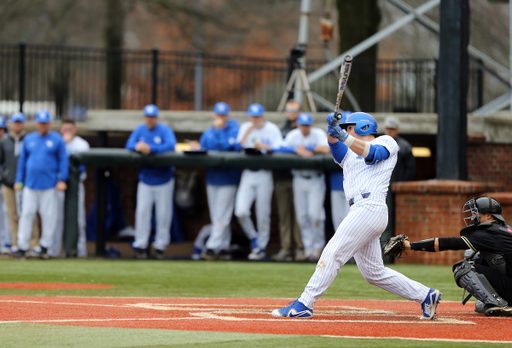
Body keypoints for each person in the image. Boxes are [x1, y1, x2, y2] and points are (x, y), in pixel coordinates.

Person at [272, 112, 441, 320]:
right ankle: (426, 295)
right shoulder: (349, 152)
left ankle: (305, 303)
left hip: (370, 207)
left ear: (362, 127)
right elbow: (335, 147)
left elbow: (372, 155)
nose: (345, 131)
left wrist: (342, 136)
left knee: (333, 253)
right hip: (360, 210)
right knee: (374, 273)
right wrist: (332, 130)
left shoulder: (387, 141)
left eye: (348, 127)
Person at [402, 196, 512, 317]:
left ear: (488, 216)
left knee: (462, 268)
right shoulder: (503, 229)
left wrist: (410, 246)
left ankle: (498, 303)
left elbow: (449, 243)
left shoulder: (488, 233)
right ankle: (499, 300)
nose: (472, 217)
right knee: (475, 257)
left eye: (475, 213)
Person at [13, 110, 68, 260]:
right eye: (40, 123)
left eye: (45, 123)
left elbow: (63, 160)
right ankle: (22, 246)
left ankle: (45, 247)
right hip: (30, 185)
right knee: (26, 215)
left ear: (49, 123)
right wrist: (19, 180)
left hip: (49, 185)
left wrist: (63, 179)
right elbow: (22, 162)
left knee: (49, 216)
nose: (43, 125)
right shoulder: (29, 139)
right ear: (36, 123)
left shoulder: (57, 140)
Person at [126, 104, 177, 260]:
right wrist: (138, 146)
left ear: (157, 117)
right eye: (147, 117)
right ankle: (141, 246)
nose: (150, 120)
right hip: (146, 179)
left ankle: (160, 247)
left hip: (164, 179)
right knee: (142, 213)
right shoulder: (140, 129)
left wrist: (152, 149)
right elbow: (129, 145)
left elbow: (171, 145)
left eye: (152, 117)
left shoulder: (164, 129)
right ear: (144, 117)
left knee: (163, 215)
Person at [191, 102, 240, 261]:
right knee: (216, 217)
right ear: (213, 115)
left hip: (228, 178)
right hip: (212, 178)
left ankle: (212, 247)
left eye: (223, 115)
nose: (220, 118)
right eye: (218, 115)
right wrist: (195, 148)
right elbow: (204, 149)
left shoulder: (234, 129)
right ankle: (224, 247)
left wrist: (219, 131)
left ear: (228, 115)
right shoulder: (208, 131)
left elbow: (226, 148)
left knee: (223, 216)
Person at [278, 113, 330, 261]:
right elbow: (279, 147)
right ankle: (308, 249)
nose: (305, 128)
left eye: (307, 125)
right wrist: (295, 149)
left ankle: (318, 247)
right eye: (302, 125)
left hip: (315, 178)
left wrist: (308, 147)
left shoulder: (318, 133)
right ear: (298, 125)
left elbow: (326, 149)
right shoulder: (293, 135)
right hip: (298, 178)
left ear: (311, 125)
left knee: (315, 214)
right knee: (302, 216)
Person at [234, 103, 283, 260]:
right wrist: (248, 131)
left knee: (263, 213)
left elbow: (281, 148)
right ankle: (253, 238)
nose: (255, 119)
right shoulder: (245, 127)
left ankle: (260, 247)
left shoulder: (272, 129)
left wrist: (265, 146)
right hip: (248, 172)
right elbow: (236, 148)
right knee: (240, 211)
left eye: (257, 116)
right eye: (252, 116)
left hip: (264, 173)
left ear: (263, 116)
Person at [0, 113, 41, 255]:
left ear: (24, 124)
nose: (17, 125)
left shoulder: (30, 140)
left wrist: (23, 180)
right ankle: (16, 243)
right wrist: (4, 177)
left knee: (29, 213)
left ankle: (33, 244)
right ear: (10, 124)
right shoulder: (4, 141)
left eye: (20, 122)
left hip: (26, 184)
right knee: (12, 215)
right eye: (15, 122)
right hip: (8, 184)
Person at [51, 118, 90, 257]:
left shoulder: (82, 144)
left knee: (79, 219)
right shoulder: (56, 142)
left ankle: (81, 251)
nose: (67, 131)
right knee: (57, 219)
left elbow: (83, 166)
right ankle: (54, 251)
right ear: (61, 130)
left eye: (70, 129)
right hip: (58, 185)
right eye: (65, 129)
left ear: (75, 130)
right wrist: (63, 143)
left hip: (76, 184)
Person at [272, 99, 305, 262]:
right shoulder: (280, 130)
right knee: (284, 215)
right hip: (282, 177)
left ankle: (300, 248)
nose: (292, 113)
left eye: (295, 110)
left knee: (301, 215)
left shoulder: (305, 128)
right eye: (289, 110)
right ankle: (285, 248)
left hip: (300, 178)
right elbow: (276, 147)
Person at [382, 116, 416, 260]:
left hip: (396, 189)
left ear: (398, 130)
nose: (390, 131)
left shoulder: (404, 146)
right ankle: (382, 255)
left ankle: (391, 256)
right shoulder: (379, 143)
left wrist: (400, 184)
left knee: (394, 223)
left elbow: (411, 169)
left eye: (393, 129)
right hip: (382, 188)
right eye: (388, 129)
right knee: (382, 223)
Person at [329, 111, 351, 233]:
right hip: (337, 185)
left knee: (352, 225)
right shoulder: (334, 141)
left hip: (355, 189)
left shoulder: (360, 143)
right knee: (338, 224)